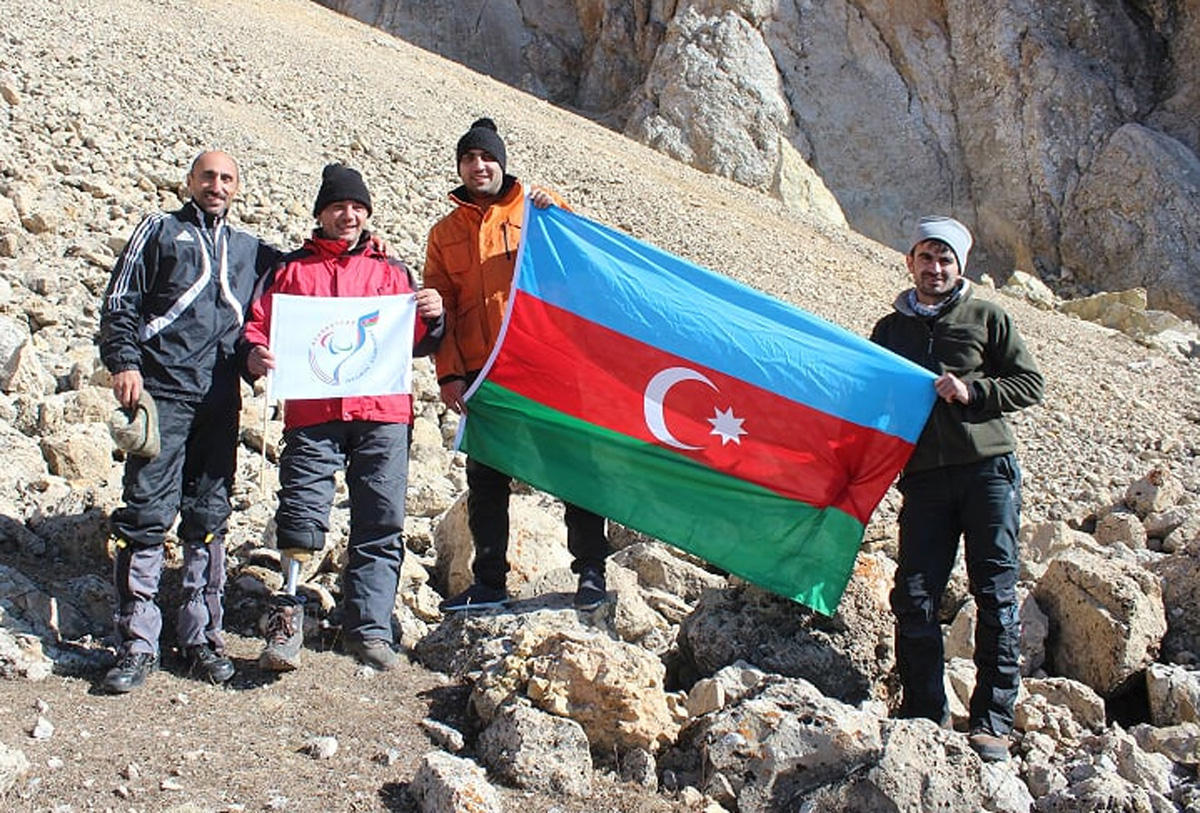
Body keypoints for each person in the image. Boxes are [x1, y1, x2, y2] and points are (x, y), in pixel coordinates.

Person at [241, 164, 444, 671]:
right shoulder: (291, 271)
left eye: (356, 207)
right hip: (313, 414)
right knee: (301, 516)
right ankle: (287, 618)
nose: (347, 215)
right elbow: (257, 326)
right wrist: (255, 353)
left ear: (367, 213)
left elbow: (418, 341)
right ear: (321, 215)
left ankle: (369, 628)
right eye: (337, 207)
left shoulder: (394, 273)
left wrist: (434, 314)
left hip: (382, 416)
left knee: (380, 520)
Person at [99, 150, 282, 692]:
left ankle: (201, 637)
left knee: (209, 513)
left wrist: (373, 254)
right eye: (208, 176)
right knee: (147, 512)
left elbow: (308, 274)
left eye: (227, 178)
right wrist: (124, 362)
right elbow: (120, 301)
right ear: (190, 181)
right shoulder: (158, 230)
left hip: (221, 400)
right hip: (162, 394)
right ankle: (137, 641)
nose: (217, 185)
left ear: (238, 187)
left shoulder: (251, 250)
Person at [869, 216, 1044, 762]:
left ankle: (993, 721)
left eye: (945, 260)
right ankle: (925, 711)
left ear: (960, 266)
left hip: (987, 471)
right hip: (923, 481)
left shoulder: (988, 316)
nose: (935, 268)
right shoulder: (889, 330)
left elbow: (1029, 383)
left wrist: (973, 391)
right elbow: (871, 395)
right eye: (926, 257)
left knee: (994, 593)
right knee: (914, 596)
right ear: (910, 262)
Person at [425, 118, 610, 612]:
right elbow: (440, 306)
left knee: (575, 469)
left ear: (501, 163)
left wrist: (562, 212)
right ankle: (489, 582)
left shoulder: (535, 212)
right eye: (468, 159)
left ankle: (591, 573)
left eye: (486, 157)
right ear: (459, 167)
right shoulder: (444, 234)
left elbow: (582, 263)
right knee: (486, 479)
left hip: (546, 368)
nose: (478, 166)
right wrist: (450, 374)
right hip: (486, 376)